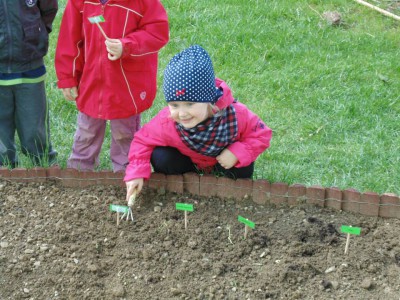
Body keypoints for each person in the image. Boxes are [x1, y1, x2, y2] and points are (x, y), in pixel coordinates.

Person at [124, 45, 272, 200]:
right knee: (161, 156)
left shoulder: (236, 115)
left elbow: (262, 134)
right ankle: (186, 186)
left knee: (244, 163)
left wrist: (238, 152)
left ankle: (232, 194)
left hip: (225, 163)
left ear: (208, 99)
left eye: (190, 104)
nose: (182, 113)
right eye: (174, 105)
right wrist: (137, 172)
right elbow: (142, 141)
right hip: (189, 165)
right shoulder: (166, 121)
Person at [55, 0, 169, 172]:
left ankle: (126, 174)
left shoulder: (143, 3)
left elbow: (157, 32)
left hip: (126, 85)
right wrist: (67, 77)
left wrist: (127, 46)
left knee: (124, 134)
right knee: (87, 131)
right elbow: (70, 40)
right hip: (91, 82)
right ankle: (79, 171)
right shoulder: (79, 3)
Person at [0, 0, 58, 168]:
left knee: (34, 127)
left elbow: (49, 8)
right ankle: (5, 170)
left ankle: (43, 165)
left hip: (30, 66)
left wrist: (37, 34)